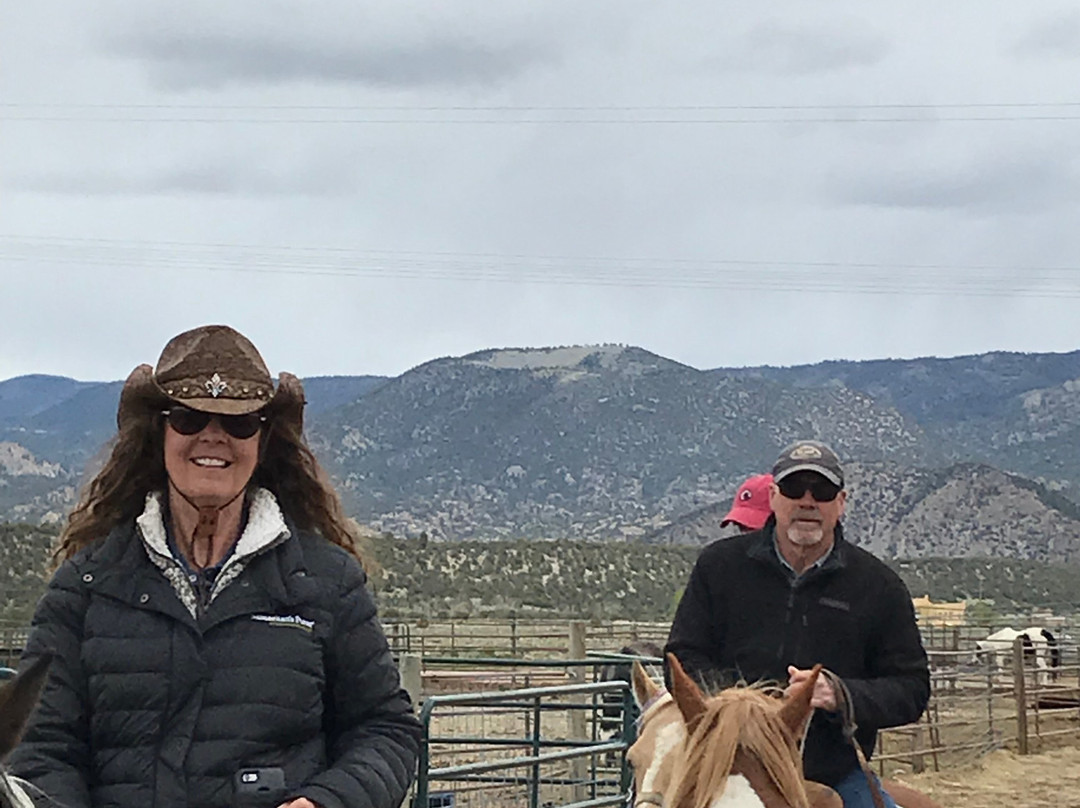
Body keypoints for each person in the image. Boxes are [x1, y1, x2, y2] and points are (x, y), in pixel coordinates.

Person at [11, 325, 422, 808]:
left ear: (263, 439)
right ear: (159, 432)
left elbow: (385, 728)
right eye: (188, 417)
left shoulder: (328, 582)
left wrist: (327, 801)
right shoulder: (85, 587)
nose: (213, 436)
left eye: (239, 423)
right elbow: (41, 748)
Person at [665, 440, 929, 808]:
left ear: (841, 502)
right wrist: (740, 707)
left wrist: (841, 694)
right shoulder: (719, 567)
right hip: (727, 764)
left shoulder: (879, 586)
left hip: (830, 769)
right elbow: (683, 655)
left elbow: (912, 688)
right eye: (793, 489)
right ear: (773, 496)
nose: (807, 501)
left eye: (821, 491)